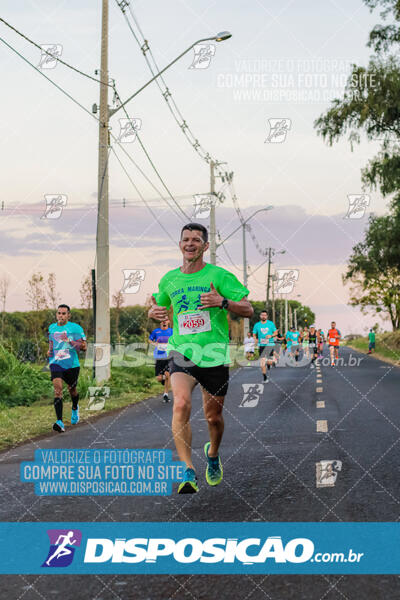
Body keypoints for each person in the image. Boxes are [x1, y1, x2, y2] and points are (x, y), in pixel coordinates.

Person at [148, 223, 253, 494]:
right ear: (180, 244)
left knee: (213, 417)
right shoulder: (169, 279)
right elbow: (158, 306)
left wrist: (222, 302)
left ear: (206, 246)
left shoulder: (219, 276)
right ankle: (188, 471)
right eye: (186, 239)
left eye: (196, 240)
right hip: (182, 351)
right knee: (180, 404)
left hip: (214, 354)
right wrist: (155, 313)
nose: (190, 243)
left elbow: (248, 309)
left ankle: (213, 454)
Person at [47, 304, 87, 433]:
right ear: (56, 314)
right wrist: (49, 351)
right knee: (57, 390)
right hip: (56, 363)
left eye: (64, 313)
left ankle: (75, 407)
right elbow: (51, 342)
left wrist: (69, 341)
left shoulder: (75, 328)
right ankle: (60, 422)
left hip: (71, 364)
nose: (61, 316)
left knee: (72, 389)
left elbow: (84, 347)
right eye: (59, 313)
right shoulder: (52, 328)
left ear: (68, 315)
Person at [149, 318, 173, 402]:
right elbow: (150, 339)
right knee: (159, 378)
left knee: (167, 374)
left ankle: (165, 394)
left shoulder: (172, 331)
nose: (164, 321)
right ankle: (165, 379)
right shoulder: (156, 331)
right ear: (160, 322)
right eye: (162, 320)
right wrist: (154, 343)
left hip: (168, 356)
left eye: (166, 320)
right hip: (159, 357)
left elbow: (176, 341)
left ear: (168, 322)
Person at [253, 310, 277, 383]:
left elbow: (276, 333)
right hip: (261, 345)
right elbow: (254, 334)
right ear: (260, 316)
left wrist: (271, 335)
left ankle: (273, 362)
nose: (263, 316)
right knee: (262, 363)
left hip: (269, 344)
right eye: (262, 315)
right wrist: (255, 339)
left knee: (268, 362)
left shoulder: (271, 324)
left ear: (267, 316)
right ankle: (265, 378)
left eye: (265, 315)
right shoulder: (257, 325)